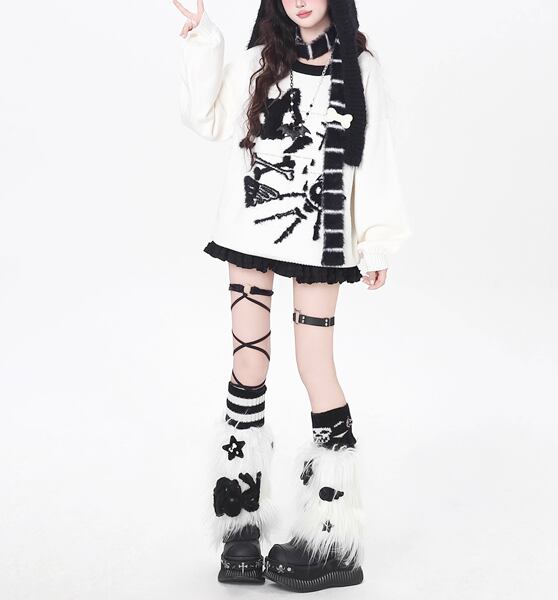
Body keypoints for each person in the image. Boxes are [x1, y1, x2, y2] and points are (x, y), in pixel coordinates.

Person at [173, 0, 410, 591]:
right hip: (248, 234)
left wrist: (376, 240)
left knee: (315, 366)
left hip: (321, 239)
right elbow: (208, 119)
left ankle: (333, 535)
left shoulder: (357, 67)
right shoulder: (262, 59)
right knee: (247, 364)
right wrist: (203, 37)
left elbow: (374, 152)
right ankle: (239, 522)